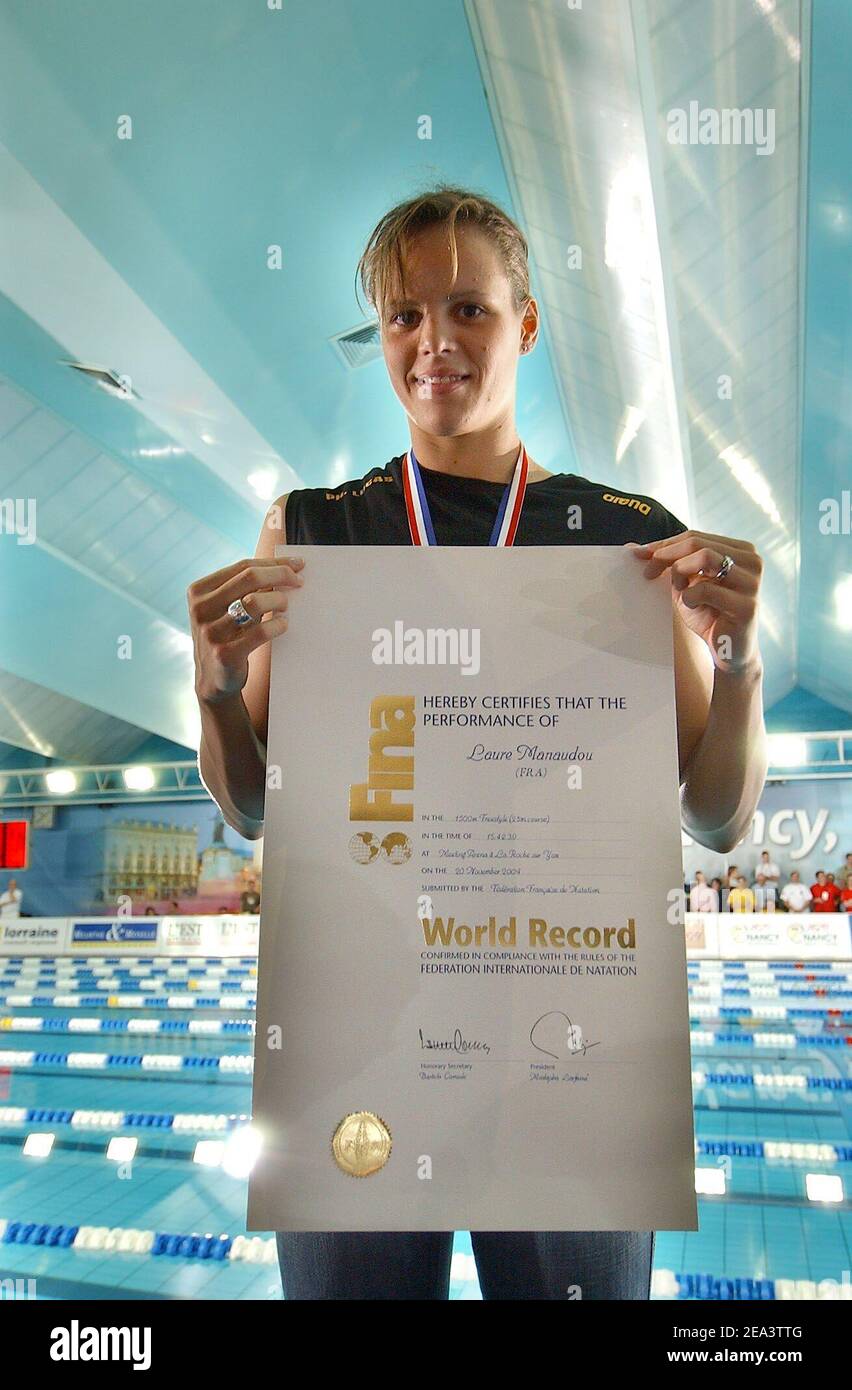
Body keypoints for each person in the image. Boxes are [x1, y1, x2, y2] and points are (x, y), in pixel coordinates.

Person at [187, 187, 768, 1301]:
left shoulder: (627, 539)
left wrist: (739, 664)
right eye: (405, 316)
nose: (435, 343)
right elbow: (256, 807)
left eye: (470, 309)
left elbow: (719, 816)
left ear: (528, 324)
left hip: (569, 1050)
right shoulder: (316, 531)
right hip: (355, 1034)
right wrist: (216, 690)